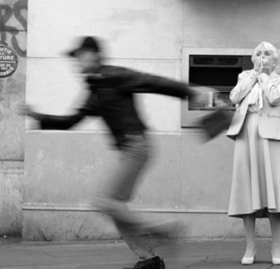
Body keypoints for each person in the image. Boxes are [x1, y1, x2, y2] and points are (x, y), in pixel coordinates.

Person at [19, 36, 215, 269]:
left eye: (81, 56)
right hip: (128, 150)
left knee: (104, 201)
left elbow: (151, 82)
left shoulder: (114, 76)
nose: (77, 62)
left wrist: (190, 92)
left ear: (94, 55)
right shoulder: (95, 90)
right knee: (115, 207)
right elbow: (71, 121)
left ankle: (164, 231)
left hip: (137, 145)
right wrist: (38, 117)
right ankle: (148, 259)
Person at [226, 41, 280, 266]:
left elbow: (274, 97)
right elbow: (234, 97)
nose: (263, 57)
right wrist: (254, 75)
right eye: (259, 54)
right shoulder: (245, 76)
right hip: (246, 134)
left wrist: (263, 76)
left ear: (275, 60)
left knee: (273, 189)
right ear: (253, 58)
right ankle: (250, 247)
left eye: (267, 54)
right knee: (247, 189)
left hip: (270, 137)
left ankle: (276, 246)